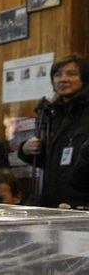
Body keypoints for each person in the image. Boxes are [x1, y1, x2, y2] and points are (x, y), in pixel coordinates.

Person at [20, 54, 89, 208]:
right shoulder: (52, 113)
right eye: (58, 74)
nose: (63, 79)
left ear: (84, 78)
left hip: (80, 204)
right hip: (52, 203)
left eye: (71, 74)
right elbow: (53, 160)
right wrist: (26, 149)